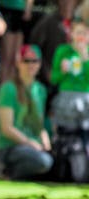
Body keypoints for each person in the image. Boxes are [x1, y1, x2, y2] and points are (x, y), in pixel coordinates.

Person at [0, 44, 53, 180]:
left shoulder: (40, 90)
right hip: (11, 147)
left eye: (35, 61)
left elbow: (39, 124)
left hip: (34, 146)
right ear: (18, 63)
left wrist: (45, 139)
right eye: (26, 61)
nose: (31, 65)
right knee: (43, 161)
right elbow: (6, 128)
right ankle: (10, 174)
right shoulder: (8, 88)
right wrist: (29, 142)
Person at [49, 1, 89, 133]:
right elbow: (54, 79)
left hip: (85, 100)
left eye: (84, 33)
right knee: (66, 137)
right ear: (71, 34)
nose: (81, 37)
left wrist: (85, 60)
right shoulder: (62, 51)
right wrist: (62, 71)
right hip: (66, 100)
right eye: (78, 33)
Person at [0, 0, 34, 83]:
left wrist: (28, 8)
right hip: (6, 9)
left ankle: (11, 89)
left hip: (20, 10)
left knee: (16, 59)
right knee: (6, 57)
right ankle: (2, 90)